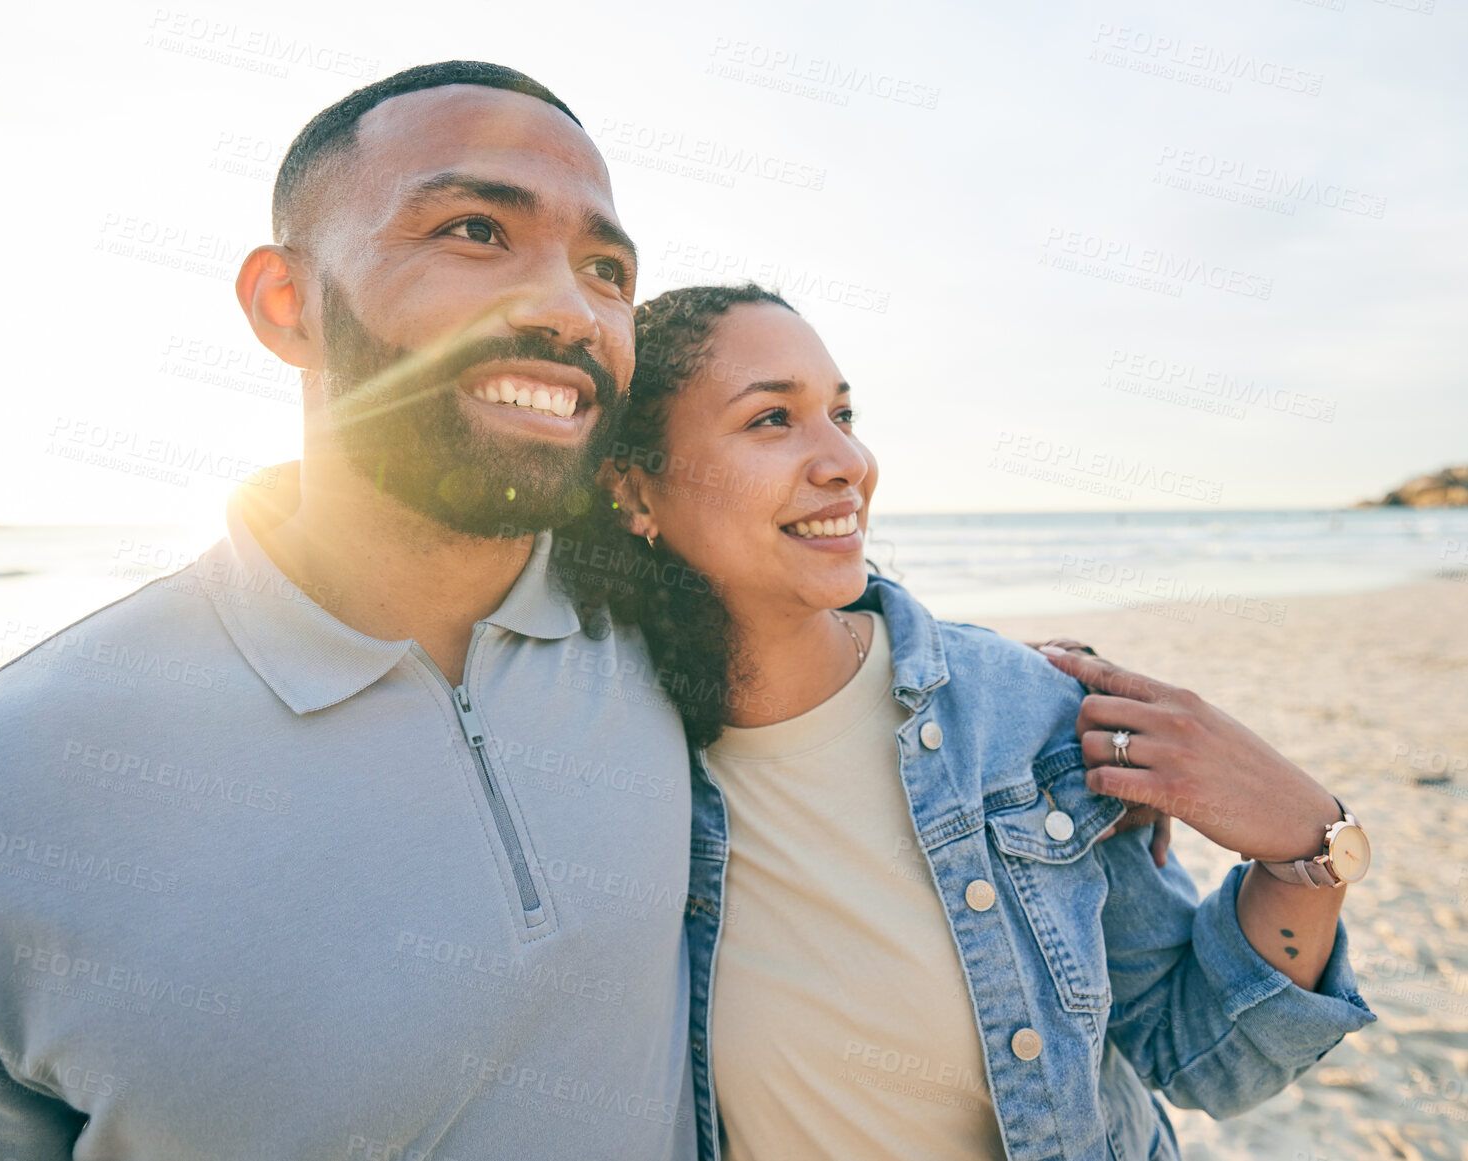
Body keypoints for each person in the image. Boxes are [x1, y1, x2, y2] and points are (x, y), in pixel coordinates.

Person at [0, 62, 698, 1160]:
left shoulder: (694, 648)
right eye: (474, 231)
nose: (567, 307)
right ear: (284, 305)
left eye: (605, 268)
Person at [566, 283, 1376, 1160]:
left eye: (842, 412)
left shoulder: (1021, 714)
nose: (845, 459)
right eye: (771, 419)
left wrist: (1309, 848)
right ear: (633, 491)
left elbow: (1202, 1058)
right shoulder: (590, 740)